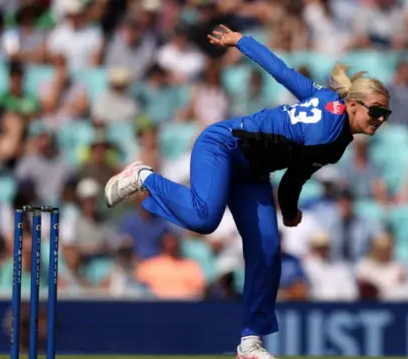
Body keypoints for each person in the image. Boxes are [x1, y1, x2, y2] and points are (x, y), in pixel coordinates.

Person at [104, 25, 391, 359]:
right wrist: (290, 212)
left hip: (252, 172)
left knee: (268, 249)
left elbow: (282, 71)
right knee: (204, 218)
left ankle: (250, 342)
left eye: (385, 113)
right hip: (223, 146)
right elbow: (290, 184)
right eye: (376, 111)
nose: (381, 119)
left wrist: (242, 41)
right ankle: (144, 177)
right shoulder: (330, 139)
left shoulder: (327, 100)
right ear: (354, 104)